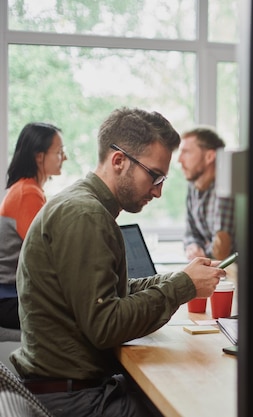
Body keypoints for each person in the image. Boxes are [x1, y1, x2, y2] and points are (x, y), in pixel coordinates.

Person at [10, 107, 227, 417]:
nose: (158, 190)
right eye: (154, 175)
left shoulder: (83, 204)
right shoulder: (87, 215)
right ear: (118, 161)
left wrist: (180, 279)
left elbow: (114, 292)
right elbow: (106, 325)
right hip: (73, 399)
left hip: (65, 386)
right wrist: (182, 287)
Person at [0, 122, 66, 330]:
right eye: (59, 152)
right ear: (39, 156)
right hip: (9, 300)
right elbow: (48, 254)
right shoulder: (27, 194)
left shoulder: (26, 189)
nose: (64, 157)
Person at [178, 126, 236, 261]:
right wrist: (193, 246)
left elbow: (222, 252)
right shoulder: (193, 185)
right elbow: (190, 233)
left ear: (210, 156)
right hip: (214, 268)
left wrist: (202, 252)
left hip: (237, 273)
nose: (179, 160)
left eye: (186, 152)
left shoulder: (226, 187)